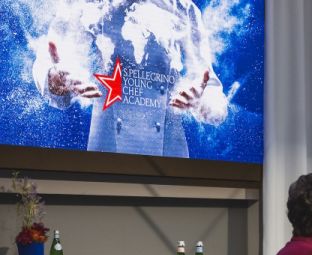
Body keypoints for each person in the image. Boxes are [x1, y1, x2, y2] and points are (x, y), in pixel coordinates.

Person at [32, 0, 228, 157]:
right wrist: (54, 78)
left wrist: (204, 104)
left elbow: (211, 89)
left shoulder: (185, 9)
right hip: (107, 149)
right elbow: (47, 61)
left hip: (170, 154)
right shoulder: (85, 4)